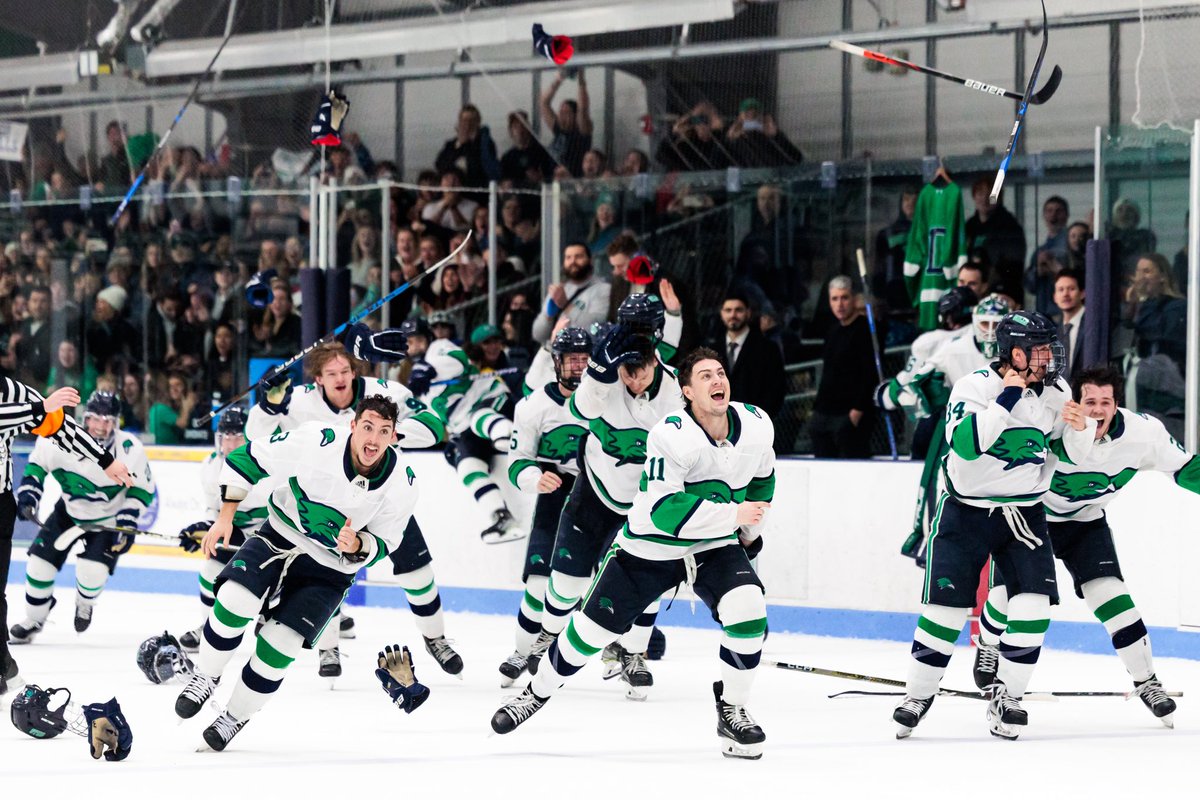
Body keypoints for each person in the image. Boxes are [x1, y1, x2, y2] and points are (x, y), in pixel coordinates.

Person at [491, 347, 775, 760]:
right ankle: (535, 694)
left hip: (714, 545)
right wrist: (734, 513)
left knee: (749, 611)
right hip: (648, 548)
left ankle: (732, 710)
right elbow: (664, 511)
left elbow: (763, 480)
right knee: (585, 638)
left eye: (720, 373)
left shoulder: (756, 424)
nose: (717, 381)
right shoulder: (671, 433)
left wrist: (748, 534)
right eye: (705, 377)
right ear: (687, 391)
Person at [893, 311, 1095, 741]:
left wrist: (1081, 431)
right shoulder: (974, 387)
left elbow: (1071, 455)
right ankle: (919, 694)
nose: (1050, 357)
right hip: (964, 512)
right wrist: (1006, 398)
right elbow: (966, 446)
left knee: (1033, 607)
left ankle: (1009, 697)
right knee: (944, 613)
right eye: (1040, 349)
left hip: (1023, 512)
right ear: (1015, 353)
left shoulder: (1057, 391)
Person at [175, 398, 419, 751]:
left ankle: (234, 716)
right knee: (234, 600)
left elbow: (388, 541)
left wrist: (359, 543)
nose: (374, 438)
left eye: (384, 432)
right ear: (353, 426)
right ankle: (205, 676)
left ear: (393, 436)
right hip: (281, 534)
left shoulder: (403, 482)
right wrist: (225, 517)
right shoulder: (316, 440)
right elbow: (248, 457)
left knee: (281, 645)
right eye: (367, 427)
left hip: (332, 567)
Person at [973, 365, 1196, 727]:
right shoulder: (1052, 423)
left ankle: (1147, 682)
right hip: (1033, 518)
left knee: (1114, 599)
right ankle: (988, 645)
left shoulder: (1144, 434)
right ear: (1076, 401)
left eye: (1105, 402)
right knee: (1006, 598)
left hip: (1085, 523)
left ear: (1117, 405)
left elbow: (1185, 469)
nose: (1097, 409)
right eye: (1089, 401)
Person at [246, 339, 462, 678]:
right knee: (325, 571)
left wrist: (387, 435)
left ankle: (436, 639)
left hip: (382, 499)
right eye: (330, 373)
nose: (339, 378)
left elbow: (435, 426)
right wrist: (267, 407)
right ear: (318, 379)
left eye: (345, 370)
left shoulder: (382, 392)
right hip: (322, 504)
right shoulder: (299, 400)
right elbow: (255, 438)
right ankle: (329, 648)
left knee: (417, 571)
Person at [523, 295, 683, 696]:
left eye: (640, 371)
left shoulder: (675, 390)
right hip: (595, 490)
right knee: (567, 581)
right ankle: (548, 635)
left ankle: (633, 653)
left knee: (644, 580)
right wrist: (598, 370)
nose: (631, 379)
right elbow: (579, 410)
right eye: (626, 372)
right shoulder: (606, 370)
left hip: (647, 500)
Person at [0, 381, 133, 694]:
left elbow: (62, 429)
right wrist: (39, 408)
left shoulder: (11, 391)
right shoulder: (25, 404)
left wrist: (105, 460)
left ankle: (2, 662)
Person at [10, 391, 154, 643]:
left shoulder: (130, 449)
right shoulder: (58, 437)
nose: (100, 426)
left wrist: (128, 517)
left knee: (92, 572)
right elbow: (36, 467)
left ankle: (84, 602)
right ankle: (35, 616)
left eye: (107, 420)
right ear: (84, 417)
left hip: (107, 519)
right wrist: (29, 496)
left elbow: (143, 489)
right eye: (95, 419)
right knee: (38, 567)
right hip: (69, 512)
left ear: (116, 422)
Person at [877, 294, 1011, 560]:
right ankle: (935, 541)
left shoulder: (1020, 352)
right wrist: (903, 396)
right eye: (985, 324)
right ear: (974, 322)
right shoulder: (953, 350)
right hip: (960, 435)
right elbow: (914, 387)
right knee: (945, 485)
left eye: (997, 325)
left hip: (1006, 435)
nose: (991, 332)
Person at [499, 326, 592, 686]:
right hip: (554, 493)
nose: (579, 367)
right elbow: (517, 460)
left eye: (585, 359)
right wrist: (534, 477)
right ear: (557, 362)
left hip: (598, 495)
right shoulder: (533, 406)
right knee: (539, 580)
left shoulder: (608, 400)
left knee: (602, 581)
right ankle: (524, 651)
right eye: (572, 360)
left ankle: (626, 650)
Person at [400, 320, 522, 545]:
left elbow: (457, 361)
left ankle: (508, 434)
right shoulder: (420, 385)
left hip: (494, 402)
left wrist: (429, 369)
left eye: (418, 340)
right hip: (467, 428)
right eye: (409, 343)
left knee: (478, 418)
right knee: (468, 468)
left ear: (428, 338)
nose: (415, 346)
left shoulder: (440, 348)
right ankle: (502, 518)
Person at [173, 407, 270, 652]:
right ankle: (207, 627)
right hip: (234, 530)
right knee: (210, 568)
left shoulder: (268, 465)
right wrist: (204, 530)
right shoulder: (210, 468)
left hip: (270, 533)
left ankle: (271, 610)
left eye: (238, 436)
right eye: (227, 437)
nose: (231, 443)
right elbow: (213, 512)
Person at [809, 277, 877, 459]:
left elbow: (870, 373)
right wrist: (816, 409)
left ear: (854, 299)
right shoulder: (833, 330)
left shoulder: (866, 330)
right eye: (834, 298)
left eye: (844, 297)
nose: (839, 304)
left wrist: (857, 411)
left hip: (849, 413)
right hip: (824, 412)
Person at [708, 292, 785, 420]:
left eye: (738, 310)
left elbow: (776, 390)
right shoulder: (712, 351)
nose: (733, 315)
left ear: (748, 313)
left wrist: (759, 419)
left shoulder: (767, 349)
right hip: (719, 425)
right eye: (728, 310)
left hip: (755, 423)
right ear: (721, 314)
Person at [965, 177, 1026, 294]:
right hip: (972, 289)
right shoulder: (969, 226)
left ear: (999, 197)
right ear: (974, 196)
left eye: (990, 194)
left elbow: (1013, 266)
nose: (985, 199)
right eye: (980, 193)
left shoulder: (1009, 226)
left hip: (1001, 291)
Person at [539, 69, 593, 177]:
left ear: (575, 116)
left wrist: (581, 80)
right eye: (561, 112)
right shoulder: (558, 129)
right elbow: (543, 102)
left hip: (570, 183)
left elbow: (583, 109)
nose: (562, 115)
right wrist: (558, 80)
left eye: (567, 112)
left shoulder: (581, 133)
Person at [434, 104, 499, 192]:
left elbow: (480, 168)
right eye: (464, 120)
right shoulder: (450, 145)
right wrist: (460, 146)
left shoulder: (486, 144)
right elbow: (439, 164)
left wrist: (469, 143)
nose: (467, 125)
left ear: (478, 123)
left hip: (474, 191)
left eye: (472, 121)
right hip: (452, 190)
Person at [873, 187, 918, 313]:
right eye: (906, 199)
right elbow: (879, 267)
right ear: (900, 203)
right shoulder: (887, 234)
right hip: (893, 297)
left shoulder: (928, 233)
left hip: (919, 295)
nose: (910, 203)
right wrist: (878, 297)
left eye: (915, 199)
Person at [1025, 195, 1070, 317]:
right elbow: (1030, 287)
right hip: (1043, 313)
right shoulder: (1040, 251)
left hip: (1064, 312)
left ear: (1066, 215)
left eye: (1058, 211)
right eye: (1049, 211)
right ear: (1044, 216)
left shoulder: (1071, 247)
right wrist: (1038, 271)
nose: (1053, 216)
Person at [500, 110, 556, 186]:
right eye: (516, 127)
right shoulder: (507, 157)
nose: (520, 130)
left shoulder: (542, 153)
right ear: (510, 131)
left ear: (529, 129)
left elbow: (552, 178)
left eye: (523, 126)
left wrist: (540, 178)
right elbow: (502, 182)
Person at [1053, 269, 1086, 383]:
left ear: (1082, 293)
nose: (1065, 294)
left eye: (1071, 289)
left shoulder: (1092, 325)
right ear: (1055, 297)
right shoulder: (1056, 331)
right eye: (1060, 290)